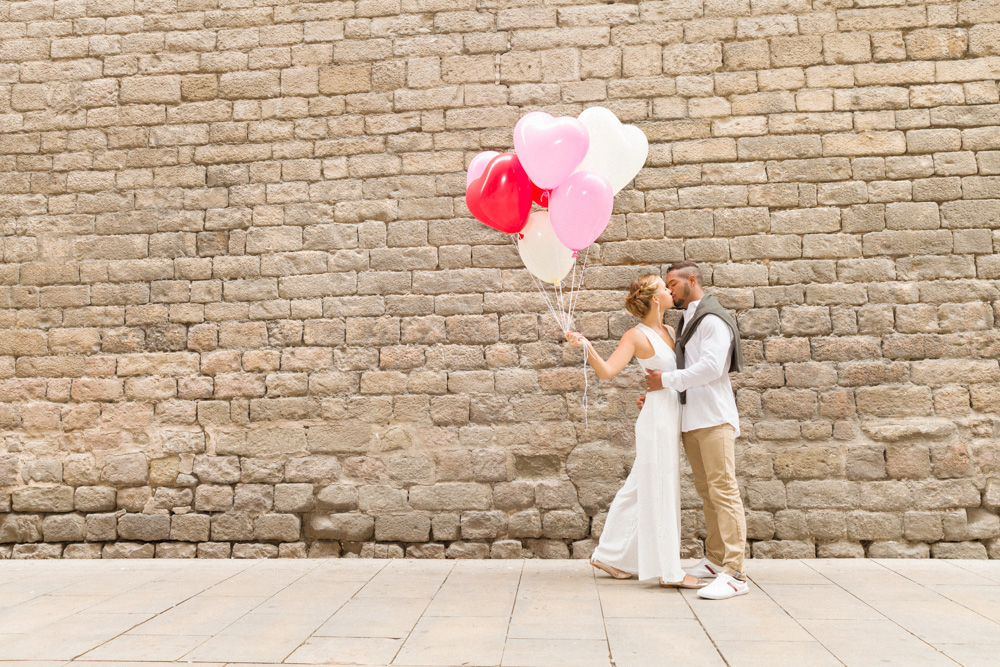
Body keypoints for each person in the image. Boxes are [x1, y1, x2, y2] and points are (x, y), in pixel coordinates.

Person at [565, 274, 705, 590]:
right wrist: (585, 345)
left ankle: (608, 555)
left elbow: (679, 374)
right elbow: (606, 371)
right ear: (656, 299)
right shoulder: (635, 336)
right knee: (659, 488)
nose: (671, 291)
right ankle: (670, 571)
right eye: (664, 287)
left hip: (670, 413)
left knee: (639, 487)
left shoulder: (671, 330)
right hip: (656, 419)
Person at [641, 261, 748, 600]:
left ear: (692, 280)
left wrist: (665, 380)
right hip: (693, 420)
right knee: (708, 492)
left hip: (714, 419)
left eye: (673, 283)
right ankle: (717, 561)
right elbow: (684, 368)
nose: (669, 290)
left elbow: (713, 367)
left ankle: (736, 573)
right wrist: (660, 390)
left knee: (724, 491)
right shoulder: (688, 320)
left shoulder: (713, 320)